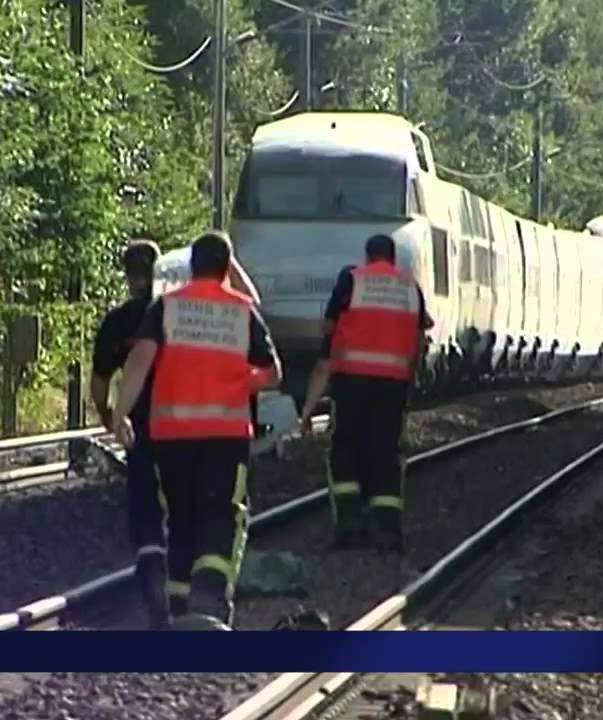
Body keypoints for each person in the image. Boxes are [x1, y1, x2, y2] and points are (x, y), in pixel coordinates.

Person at [111, 230, 282, 629]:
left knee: (182, 518)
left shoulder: (166, 307)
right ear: (227, 268)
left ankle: (177, 608)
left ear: (191, 267)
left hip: (171, 435)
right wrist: (241, 381)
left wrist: (120, 412)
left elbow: (140, 360)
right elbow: (273, 374)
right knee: (221, 515)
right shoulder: (242, 310)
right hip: (225, 436)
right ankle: (209, 604)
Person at [297, 234, 434, 553]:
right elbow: (420, 333)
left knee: (345, 450)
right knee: (386, 454)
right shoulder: (409, 288)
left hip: (352, 382)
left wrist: (307, 411)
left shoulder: (351, 281)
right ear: (393, 257)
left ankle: (349, 526)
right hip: (393, 384)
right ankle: (387, 529)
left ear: (367, 256)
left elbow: (328, 331)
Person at [89, 239, 171, 628]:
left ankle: (153, 572)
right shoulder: (180, 311)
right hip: (186, 422)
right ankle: (186, 588)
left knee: (144, 506)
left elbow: (100, 381)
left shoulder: (119, 321)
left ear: (127, 275)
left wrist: (110, 418)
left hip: (141, 426)